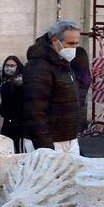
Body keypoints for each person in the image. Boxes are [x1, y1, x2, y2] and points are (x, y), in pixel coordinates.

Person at [23, 20, 87, 153]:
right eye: (70, 43)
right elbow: (35, 110)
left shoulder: (64, 63)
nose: (74, 48)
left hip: (69, 139)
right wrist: (46, 148)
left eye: (76, 43)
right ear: (55, 41)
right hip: (50, 142)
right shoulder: (38, 66)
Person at [0, 55, 26, 153]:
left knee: (16, 147)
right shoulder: (6, 80)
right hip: (8, 118)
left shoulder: (20, 82)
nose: (9, 67)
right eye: (7, 65)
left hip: (16, 119)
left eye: (12, 65)